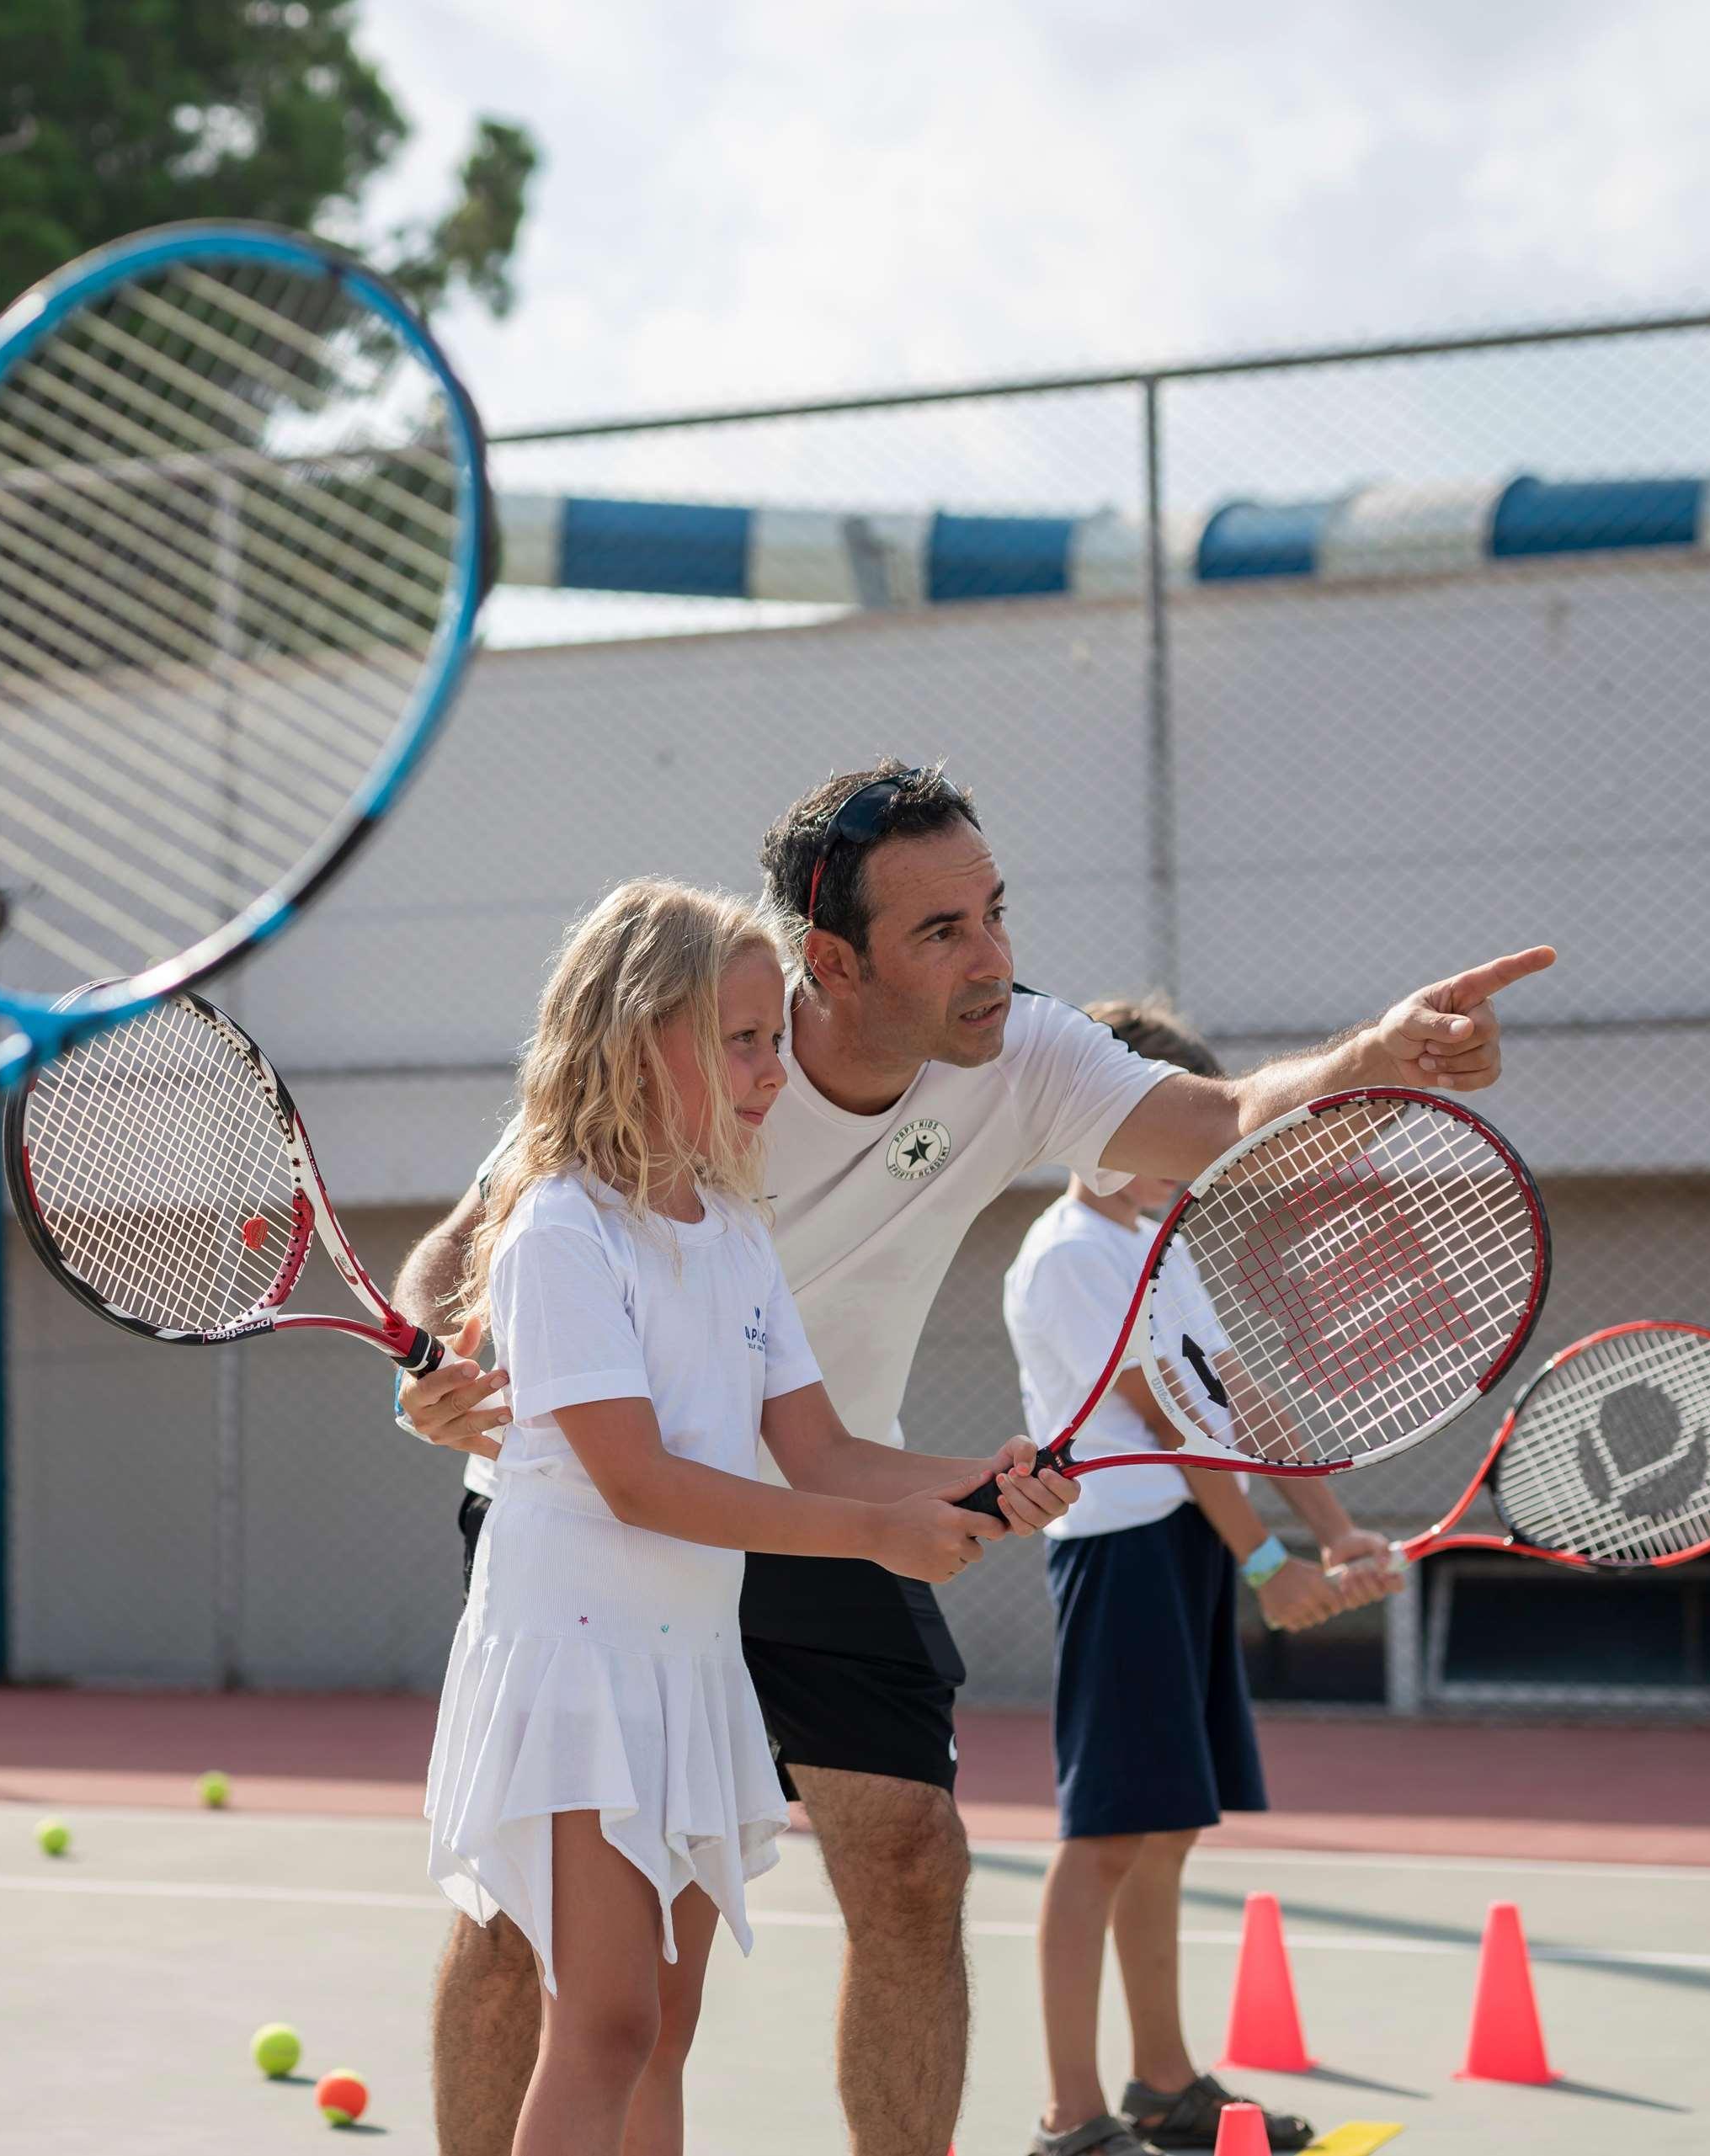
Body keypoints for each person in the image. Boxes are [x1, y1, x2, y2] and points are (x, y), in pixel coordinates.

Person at [397, 759, 1553, 2156]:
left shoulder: (1013, 1055)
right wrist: (441, 1380)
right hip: (597, 1535)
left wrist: (1383, 1050)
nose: (992, 956)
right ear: (833, 960)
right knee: (544, 1947)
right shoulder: (669, 1062)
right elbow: (463, 1261)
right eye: (940, 932)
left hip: (819, 1483)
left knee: (901, 1856)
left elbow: (1229, 1118)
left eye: (995, 911)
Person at [426, 877, 1061, 2156]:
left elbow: (816, 1448)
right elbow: (641, 1481)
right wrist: (883, 1538)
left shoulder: (732, 1230)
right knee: (601, 2021)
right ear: (631, 1037)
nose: (779, 1066)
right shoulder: (556, 1229)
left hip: (691, 1663)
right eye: (743, 1038)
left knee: (660, 2019)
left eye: (776, 1034)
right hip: (580, 1660)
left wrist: (977, 1482)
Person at [1008, 999, 1401, 2156]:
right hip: (1118, 1554)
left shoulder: (1156, 1242)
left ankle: (1164, 2082)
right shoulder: (1072, 1255)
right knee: (1105, 1836)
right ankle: (1071, 2117)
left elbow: (1239, 1400)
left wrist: (1335, 1529)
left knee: (1167, 1823)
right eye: (1165, 1136)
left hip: (1181, 1544)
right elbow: (1175, 1423)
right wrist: (1272, 1560)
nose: (1187, 1164)